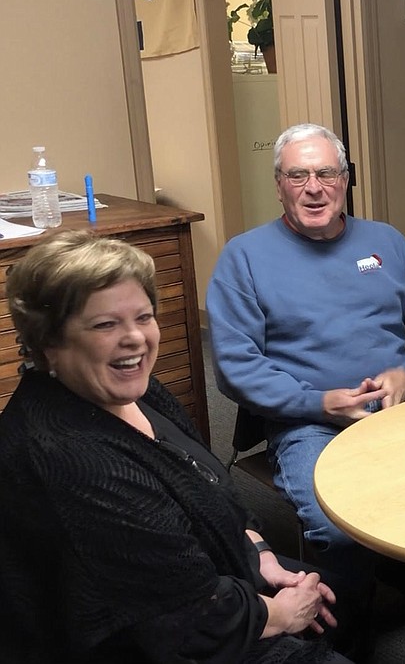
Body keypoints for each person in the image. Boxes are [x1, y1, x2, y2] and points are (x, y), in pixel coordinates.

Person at [0, 231, 351, 664]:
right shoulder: (72, 459)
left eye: (143, 317)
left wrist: (260, 555)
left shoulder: (136, 394)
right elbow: (189, 622)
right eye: (105, 324)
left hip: (208, 583)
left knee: (340, 593)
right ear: (48, 342)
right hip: (162, 638)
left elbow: (209, 490)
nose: (135, 339)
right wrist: (279, 614)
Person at [207, 123, 405, 578]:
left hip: (397, 408)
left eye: (326, 173)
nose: (314, 188)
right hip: (307, 423)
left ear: (345, 180)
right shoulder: (244, 257)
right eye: (298, 176)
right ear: (279, 187)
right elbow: (234, 365)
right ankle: (350, 632)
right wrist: (318, 402)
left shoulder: (386, 242)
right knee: (338, 527)